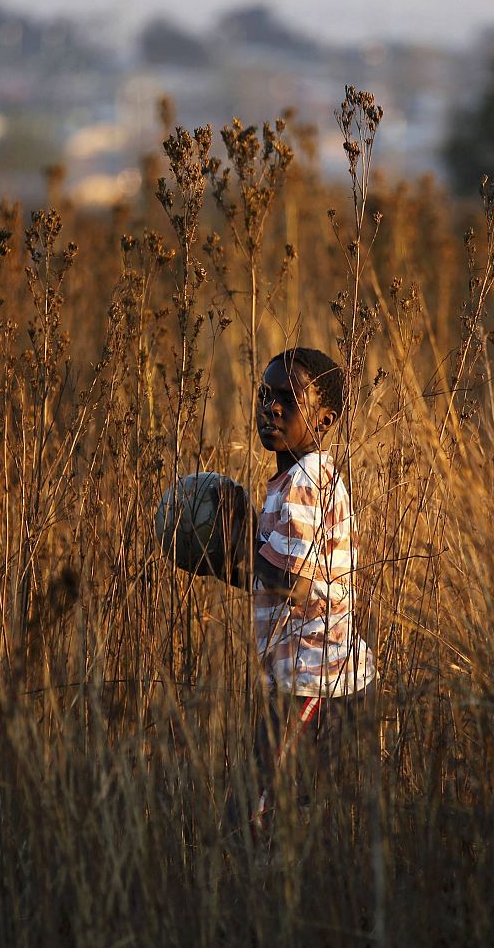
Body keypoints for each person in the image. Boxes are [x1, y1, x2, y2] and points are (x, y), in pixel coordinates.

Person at [217, 346, 377, 837]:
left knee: (251, 819)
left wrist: (237, 540)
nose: (272, 407)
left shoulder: (304, 483)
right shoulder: (297, 479)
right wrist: (221, 562)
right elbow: (279, 575)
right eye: (266, 395)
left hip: (313, 685)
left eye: (289, 398)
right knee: (297, 820)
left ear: (325, 418)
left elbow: (293, 582)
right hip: (312, 681)